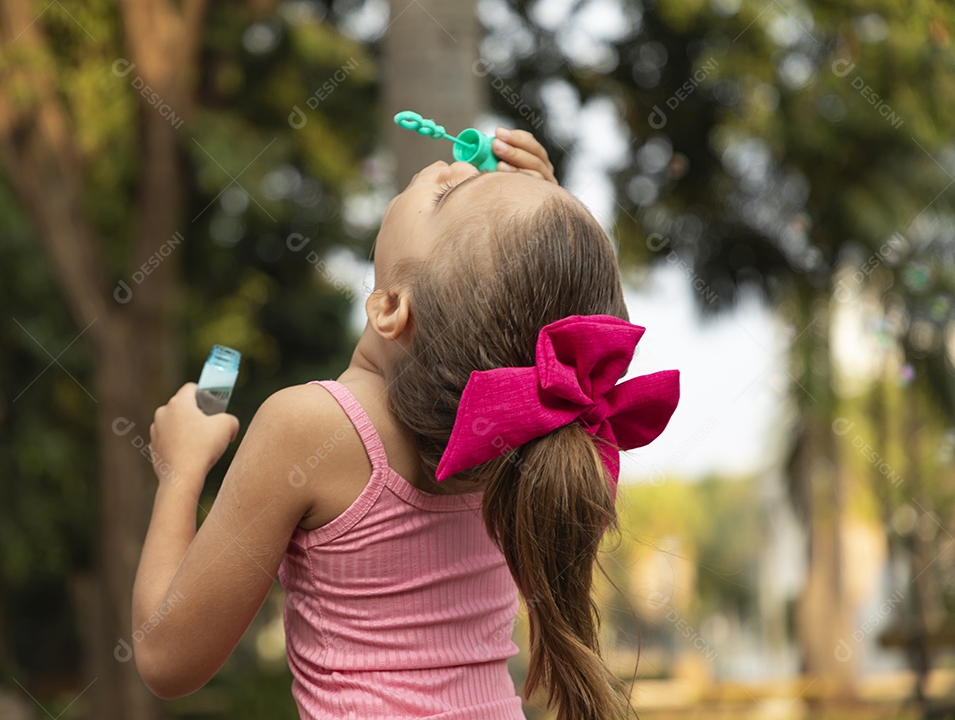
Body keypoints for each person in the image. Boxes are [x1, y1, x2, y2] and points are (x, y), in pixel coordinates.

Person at [132, 127, 680, 720]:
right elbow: (529, 337)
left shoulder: (309, 427)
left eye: (448, 199)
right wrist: (542, 227)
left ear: (391, 307)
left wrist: (180, 470)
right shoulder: (519, 438)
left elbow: (167, 659)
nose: (458, 170)